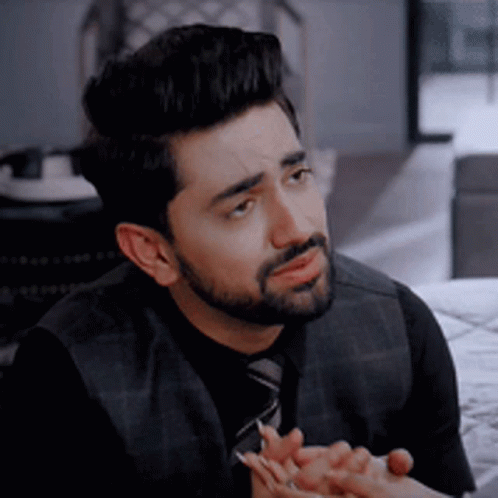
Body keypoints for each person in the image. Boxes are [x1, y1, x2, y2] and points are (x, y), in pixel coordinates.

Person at [0, 24, 475, 498]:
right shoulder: (65, 372)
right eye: (242, 207)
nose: (297, 229)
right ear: (153, 251)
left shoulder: (402, 329)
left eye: (297, 175)